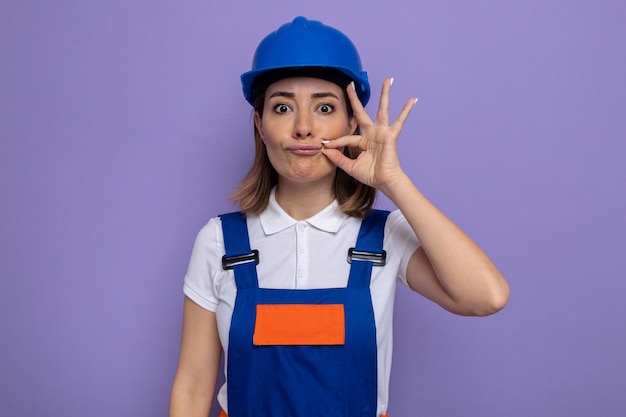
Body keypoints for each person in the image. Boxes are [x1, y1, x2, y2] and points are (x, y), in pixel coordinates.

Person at [169, 16, 510, 417]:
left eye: (324, 107)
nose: (303, 128)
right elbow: (192, 388)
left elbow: (487, 297)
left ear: (351, 122)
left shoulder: (385, 237)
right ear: (260, 126)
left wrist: (394, 181)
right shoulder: (220, 242)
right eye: (282, 107)